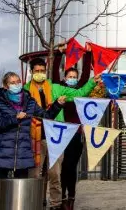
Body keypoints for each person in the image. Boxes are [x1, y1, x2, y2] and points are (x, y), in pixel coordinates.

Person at [24, 58, 97, 210]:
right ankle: (36, 202)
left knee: (55, 174)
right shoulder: (24, 91)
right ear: (31, 72)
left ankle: (56, 204)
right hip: (34, 138)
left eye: (42, 71)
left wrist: (92, 81)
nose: (40, 74)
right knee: (36, 174)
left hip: (55, 136)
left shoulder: (55, 88)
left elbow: (80, 92)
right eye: (36, 71)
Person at [0, 72, 65, 210]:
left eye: (18, 81)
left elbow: (46, 116)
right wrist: (15, 118)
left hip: (23, 150)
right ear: (6, 86)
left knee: (21, 185)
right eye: (12, 82)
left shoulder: (30, 101)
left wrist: (57, 105)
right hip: (3, 151)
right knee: (0, 185)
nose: (16, 84)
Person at [59, 68, 88, 210]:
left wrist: (88, 54)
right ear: (64, 78)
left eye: (74, 76)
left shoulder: (80, 91)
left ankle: (71, 197)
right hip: (61, 134)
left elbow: (86, 75)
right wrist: (58, 54)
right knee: (62, 168)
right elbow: (52, 75)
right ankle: (61, 196)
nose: (72, 78)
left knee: (71, 168)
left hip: (76, 135)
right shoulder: (60, 90)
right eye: (70, 76)